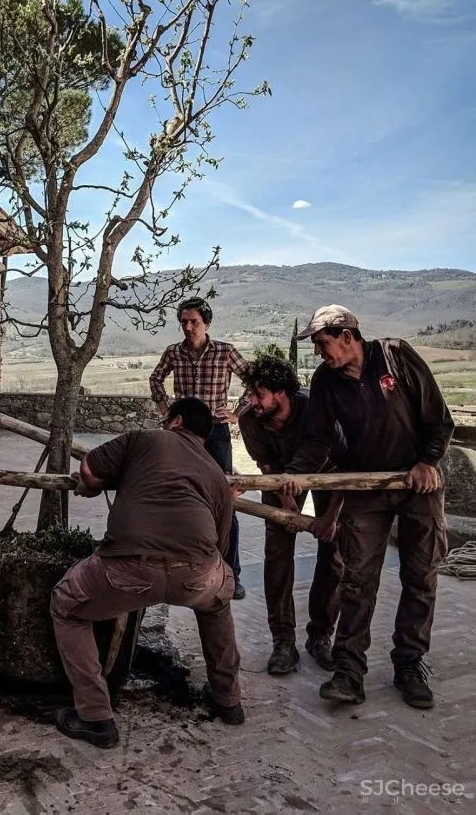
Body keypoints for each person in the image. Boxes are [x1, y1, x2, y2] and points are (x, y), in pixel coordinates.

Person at [281, 305, 453, 709]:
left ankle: (409, 663)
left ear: (347, 334)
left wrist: (428, 461)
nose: (320, 351)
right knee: (357, 580)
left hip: (417, 486)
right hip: (364, 488)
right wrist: (294, 475)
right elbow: (318, 439)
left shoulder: (396, 356)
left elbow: (439, 418)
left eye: (323, 342)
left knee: (421, 576)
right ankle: (348, 671)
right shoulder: (326, 380)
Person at [51, 397, 243, 749]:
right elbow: (218, 541)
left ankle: (95, 717)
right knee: (218, 600)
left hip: (128, 569)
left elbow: (90, 469)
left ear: (175, 421)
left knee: (66, 604)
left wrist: (90, 485)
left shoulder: (146, 438)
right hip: (196, 575)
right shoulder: (216, 473)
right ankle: (227, 700)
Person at [237, 355, 344, 675]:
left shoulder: (316, 411)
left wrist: (332, 518)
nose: (251, 401)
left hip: (331, 474)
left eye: (259, 394)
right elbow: (267, 466)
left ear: (281, 392)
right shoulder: (250, 419)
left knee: (334, 552)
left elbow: (347, 464)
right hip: (280, 477)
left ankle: (320, 636)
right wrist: (286, 503)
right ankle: (283, 641)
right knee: (278, 554)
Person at [150, 297, 248, 598]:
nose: (188, 327)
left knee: (225, 499)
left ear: (207, 322)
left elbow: (252, 378)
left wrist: (237, 412)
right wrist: (166, 410)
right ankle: (186, 568)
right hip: (183, 436)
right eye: (183, 321)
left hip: (216, 434)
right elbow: (156, 379)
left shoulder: (224, 351)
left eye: (193, 321)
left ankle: (231, 573)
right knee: (183, 496)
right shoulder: (174, 353)